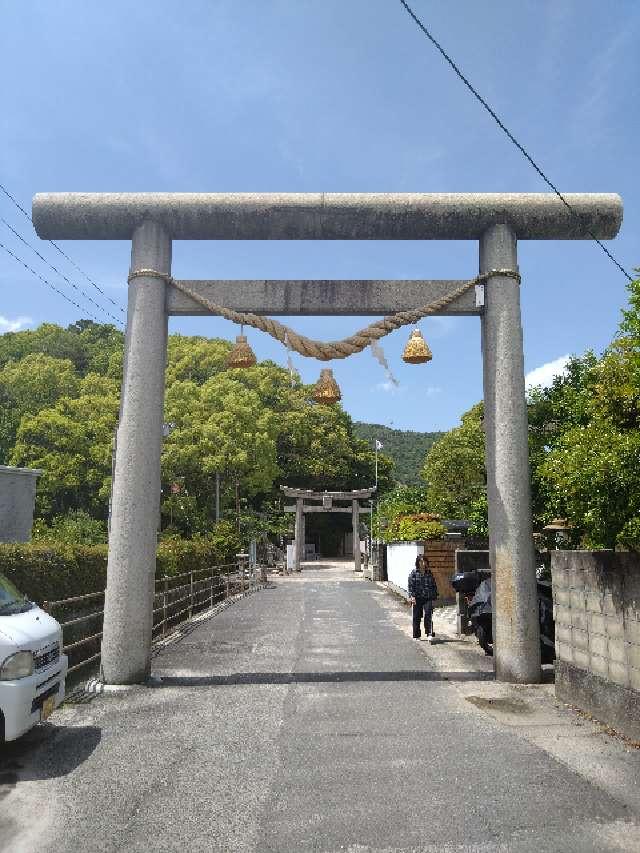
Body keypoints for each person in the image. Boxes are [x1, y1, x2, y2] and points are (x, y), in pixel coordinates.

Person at [408, 554, 439, 641]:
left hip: (427, 597)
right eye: (421, 561)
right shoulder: (414, 573)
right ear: (418, 562)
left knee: (428, 614)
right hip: (417, 597)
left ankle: (429, 633)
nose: (423, 563)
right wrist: (412, 596)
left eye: (424, 561)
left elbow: (433, 585)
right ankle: (416, 635)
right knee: (417, 616)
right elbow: (410, 586)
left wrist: (434, 596)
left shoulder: (429, 573)